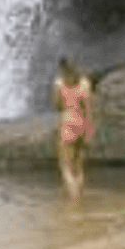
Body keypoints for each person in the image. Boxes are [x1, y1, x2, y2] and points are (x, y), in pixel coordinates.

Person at [53, 57, 96, 199]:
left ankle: (74, 202)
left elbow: (57, 106)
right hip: (81, 124)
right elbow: (89, 109)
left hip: (67, 124)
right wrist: (89, 132)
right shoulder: (85, 83)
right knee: (79, 168)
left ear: (62, 69)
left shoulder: (59, 84)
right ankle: (78, 198)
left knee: (65, 167)